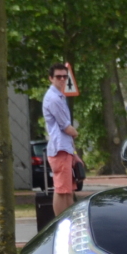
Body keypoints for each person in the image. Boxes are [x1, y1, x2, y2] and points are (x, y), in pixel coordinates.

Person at [42, 63, 80, 215]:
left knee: (68, 190)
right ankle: (60, 223)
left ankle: (70, 220)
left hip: (64, 148)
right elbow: (66, 127)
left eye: (65, 76)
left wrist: (74, 153)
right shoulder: (54, 99)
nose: (62, 79)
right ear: (51, 78)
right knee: (61, 189)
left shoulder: (59, 97)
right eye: (58, 77)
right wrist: (75, 132)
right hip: (60, 149)